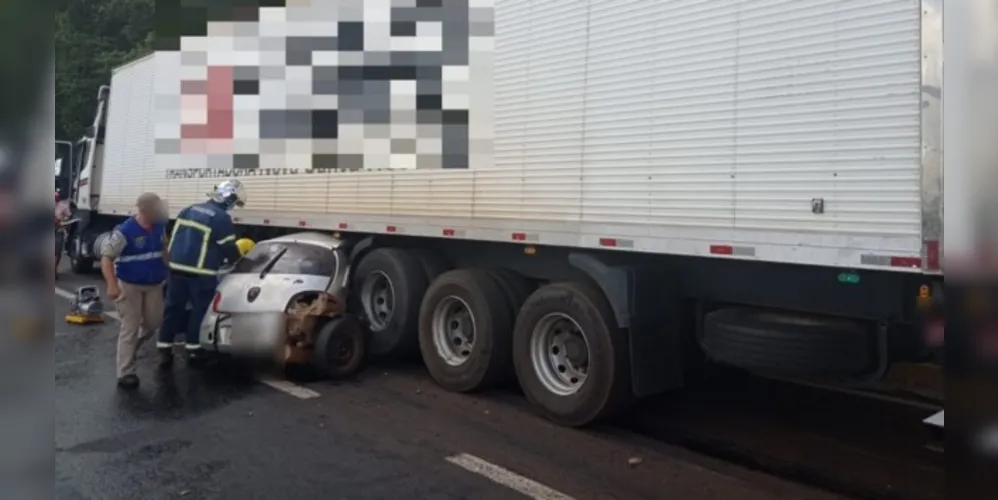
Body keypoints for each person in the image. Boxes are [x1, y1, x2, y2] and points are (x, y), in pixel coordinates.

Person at [159, 179, 246, 368]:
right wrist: (240, 262)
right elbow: (229, 248)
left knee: (172, 308)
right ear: (228, 198)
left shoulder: (189, 209)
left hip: (175, 268)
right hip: (201, 273)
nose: (233, 206)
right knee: (199, 310)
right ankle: (194, 349)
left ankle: (164, 348)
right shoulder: (221, 218)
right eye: (234, 201)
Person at [99, 192, 169, 389]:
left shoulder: (159, 226)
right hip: (129, 285)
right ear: (144, 210)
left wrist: (169, 266)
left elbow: (163, 248)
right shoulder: (124, 231)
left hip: (154, 284)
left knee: (153, 323)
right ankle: (125, 372)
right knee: (130, 327)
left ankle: (129, 350)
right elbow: (106, 259)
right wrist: (112, 285)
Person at [54, 191, 72, 279]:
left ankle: (54, 268)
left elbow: (68, 217)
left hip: (58, 230)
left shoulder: (63, 206)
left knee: (57, 251)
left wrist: (63, 222)